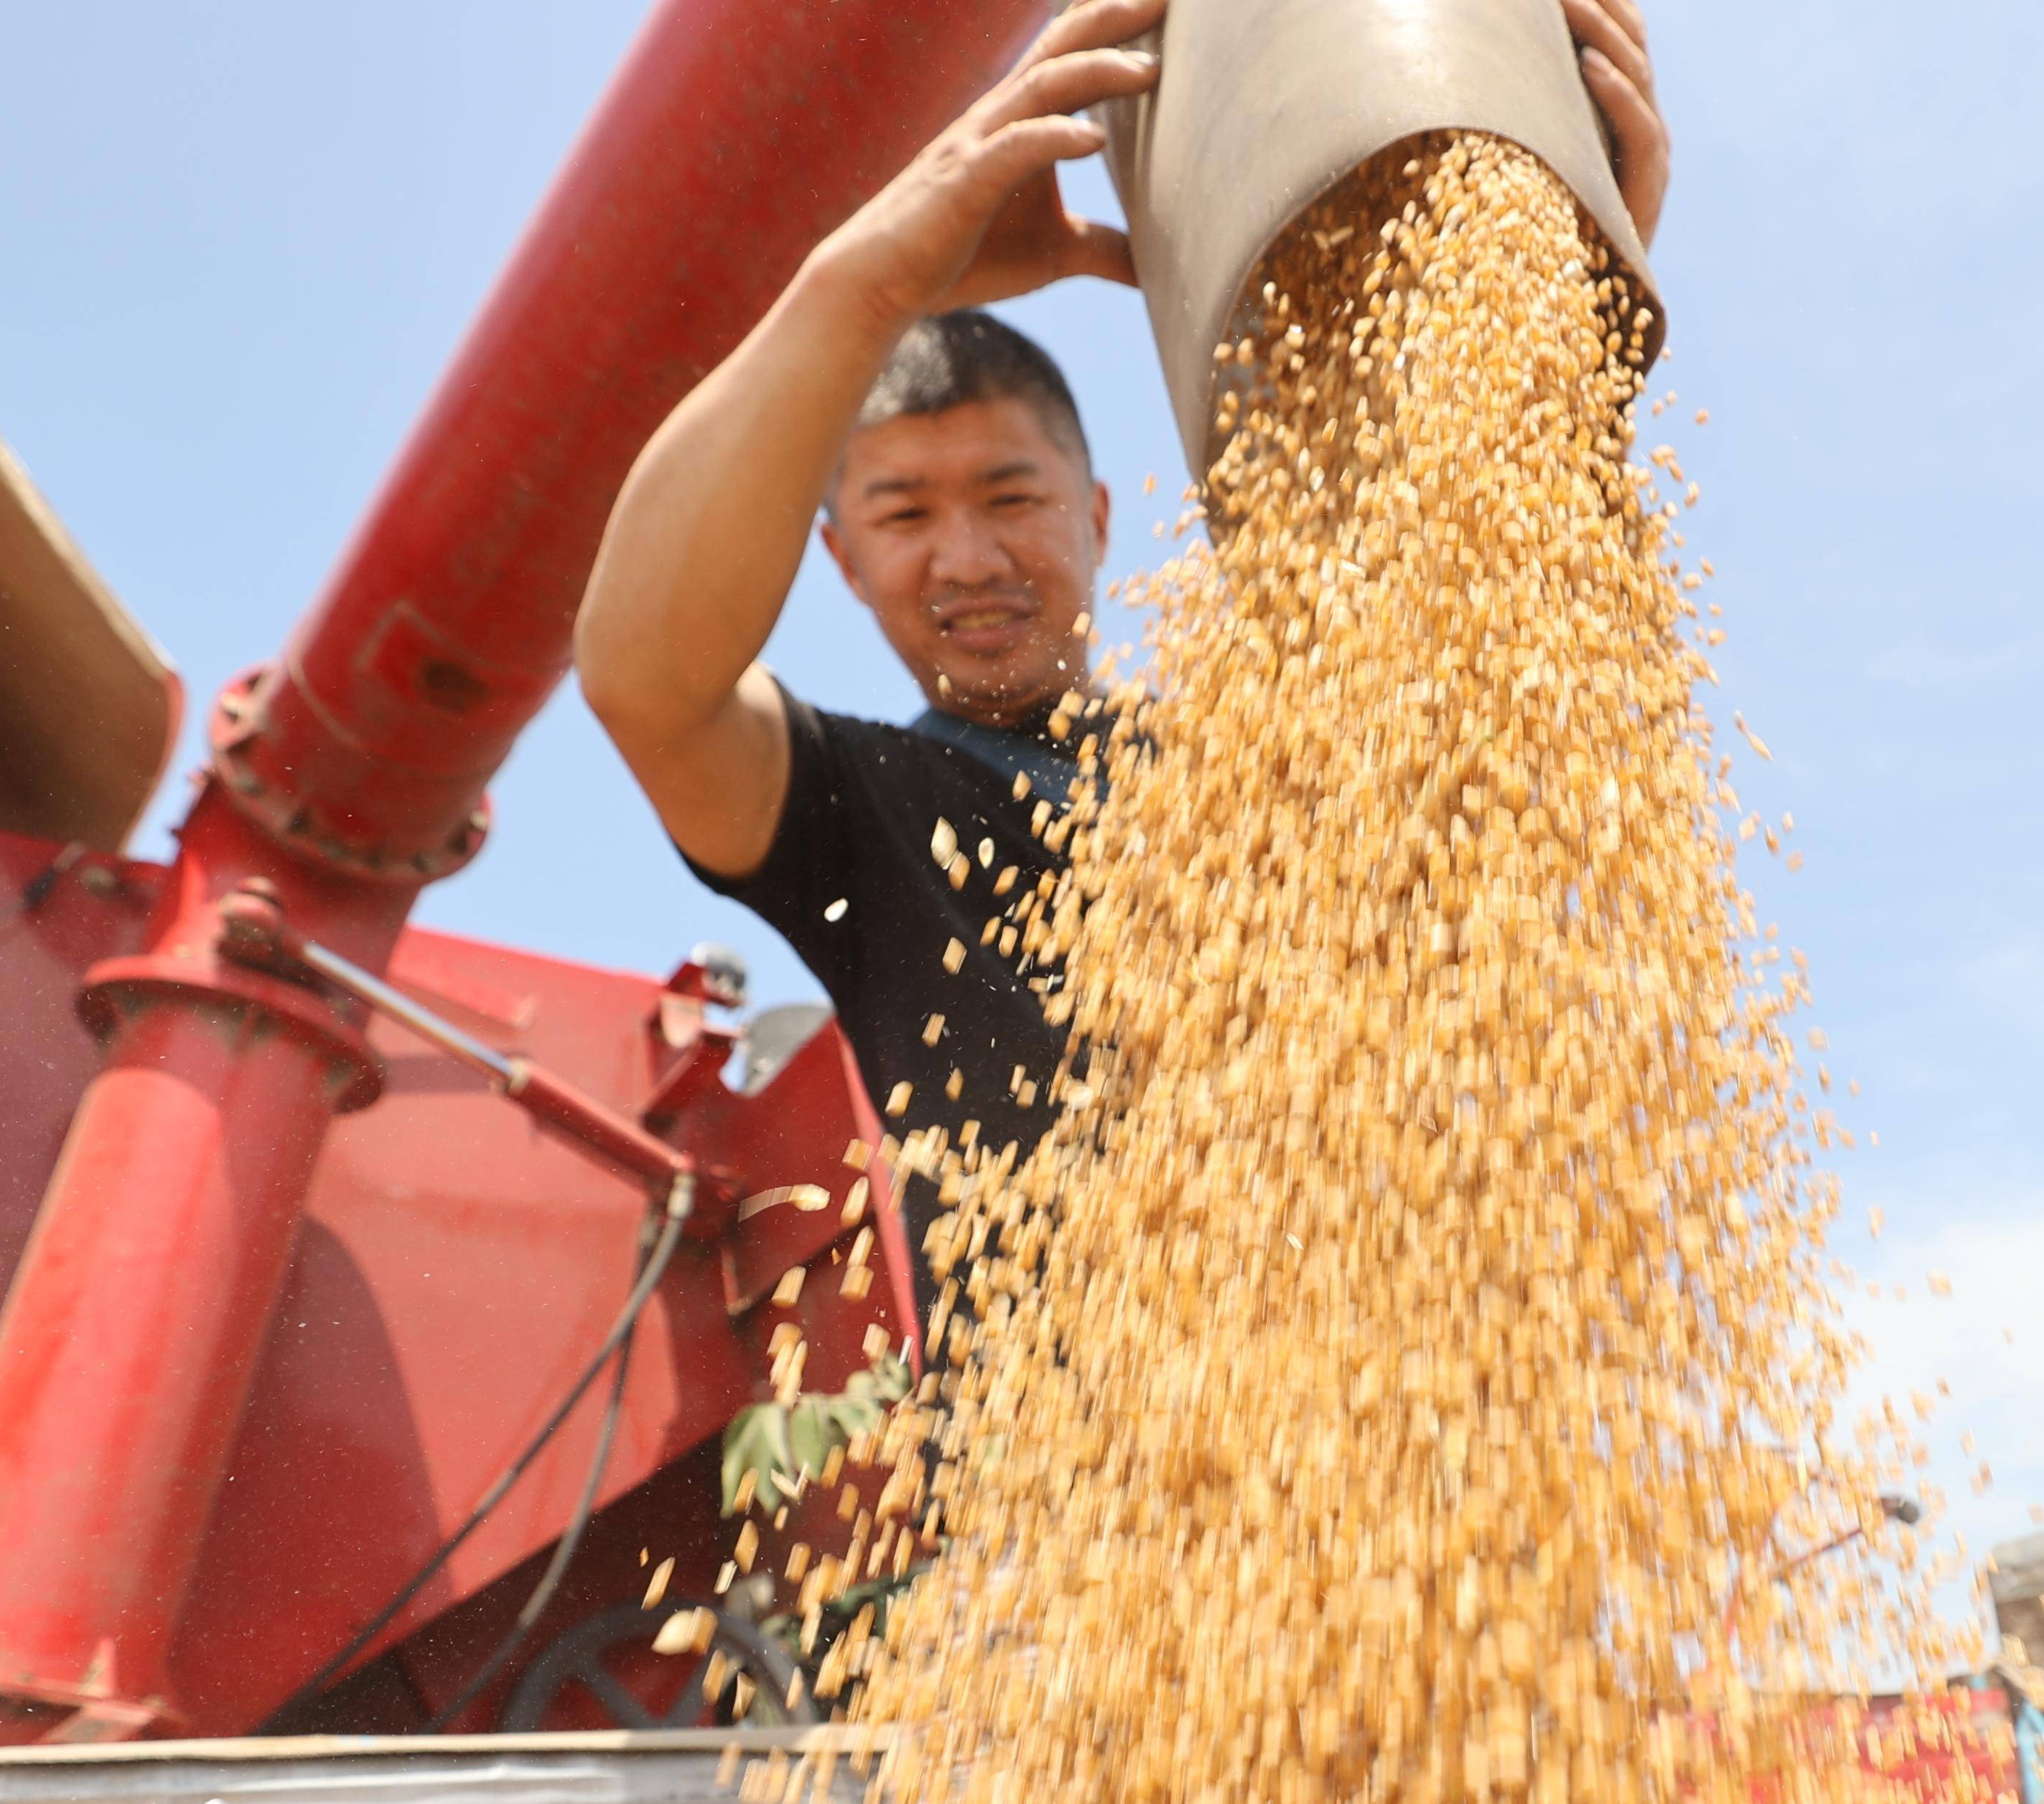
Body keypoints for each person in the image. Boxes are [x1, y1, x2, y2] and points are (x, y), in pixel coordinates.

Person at [577, 0, 1668, 1319]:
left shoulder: (1272, 757)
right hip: (1073, 1504)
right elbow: (647, 678)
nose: (968, 557)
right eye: (906, 515)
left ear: (1096, 516)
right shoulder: (867, 822)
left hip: (1414, 1429)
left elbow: (1502, 704)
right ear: (839, 561)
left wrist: (1564, 312)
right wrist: (871, 281)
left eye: (1010, 497)